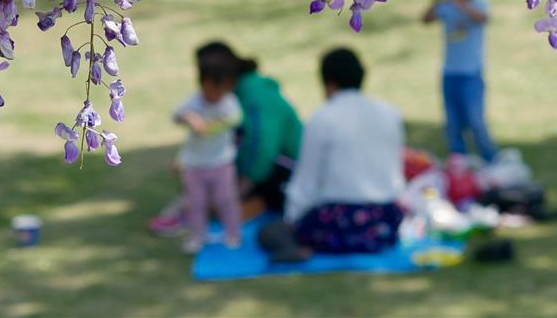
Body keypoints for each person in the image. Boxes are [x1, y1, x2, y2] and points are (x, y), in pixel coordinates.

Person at [262, 46, 404, 259]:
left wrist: (292, 220)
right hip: (387, 221)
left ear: (327, 82)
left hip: (340, 222)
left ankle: (296, 249)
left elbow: (305, 183)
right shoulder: (390, 113)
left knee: (268, 232)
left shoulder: (322, 118)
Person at [150, 42, 302, 234]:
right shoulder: (229, 97)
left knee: (221, 202)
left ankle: (250, 204)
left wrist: (242, 183)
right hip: (265, 168)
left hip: (287, 169)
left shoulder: (254, 95)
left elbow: (262, 149)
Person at [422, 0, 497, 163]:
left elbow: (482, 18)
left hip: (471, 74)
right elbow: (426, 19)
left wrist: (458, 2)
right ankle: (458, 159)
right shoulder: (446, 6)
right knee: (452, 121)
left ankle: (490, 157)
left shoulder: (477, 5)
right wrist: (436, 2)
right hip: (449, 73)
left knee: (475, 120)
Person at [173, 42, 244, 254]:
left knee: (226, 200)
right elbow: (177, 116)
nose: (215, 95)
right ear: (203, 83)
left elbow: (236, 119)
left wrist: (208, 127)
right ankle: (198, 236)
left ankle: (233, 233)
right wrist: (189, 119)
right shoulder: (193, 103)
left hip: (221, 162)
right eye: (212, 88)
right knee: (195, 203)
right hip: (194, 164)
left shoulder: (229, 103)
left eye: (220, 90)